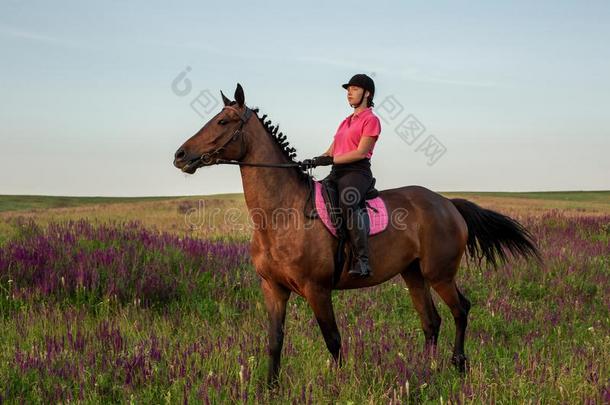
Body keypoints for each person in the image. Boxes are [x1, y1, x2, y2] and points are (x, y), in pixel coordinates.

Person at [302, 73, 381, 277]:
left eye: (354, 89)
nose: (349, 93)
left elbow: (361, 152)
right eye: (348, 90)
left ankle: (362, 261)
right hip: (337, 172)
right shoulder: (345, 122)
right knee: (316, 196)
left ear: (367, 93)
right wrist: (315, 160)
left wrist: (332, 159)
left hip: (357, 171)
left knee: (348, 201)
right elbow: (331, 151)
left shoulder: (371, 120)